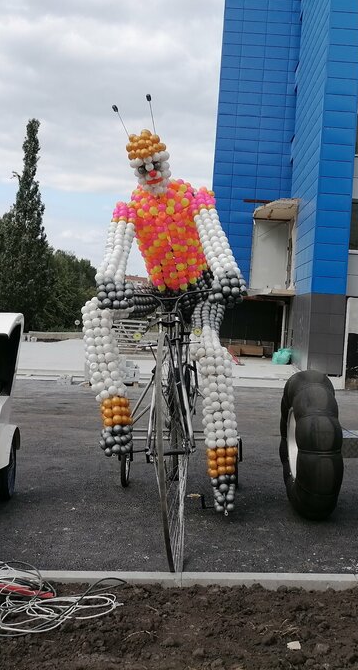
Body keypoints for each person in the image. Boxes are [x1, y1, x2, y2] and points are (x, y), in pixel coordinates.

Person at [81, 127, 246, 514]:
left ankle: (222, 466)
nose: (151, 172)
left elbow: (213, 236)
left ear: (164, 162)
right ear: (136, 171)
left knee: (210, 353)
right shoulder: (131, 208)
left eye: (155, 164)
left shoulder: (192, 196)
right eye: (143, 168)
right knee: (95, 312)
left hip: (201, 291)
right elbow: (115, 253)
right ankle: (117, 420)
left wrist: (227, 274)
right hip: (159, 292)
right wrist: (110, 284)